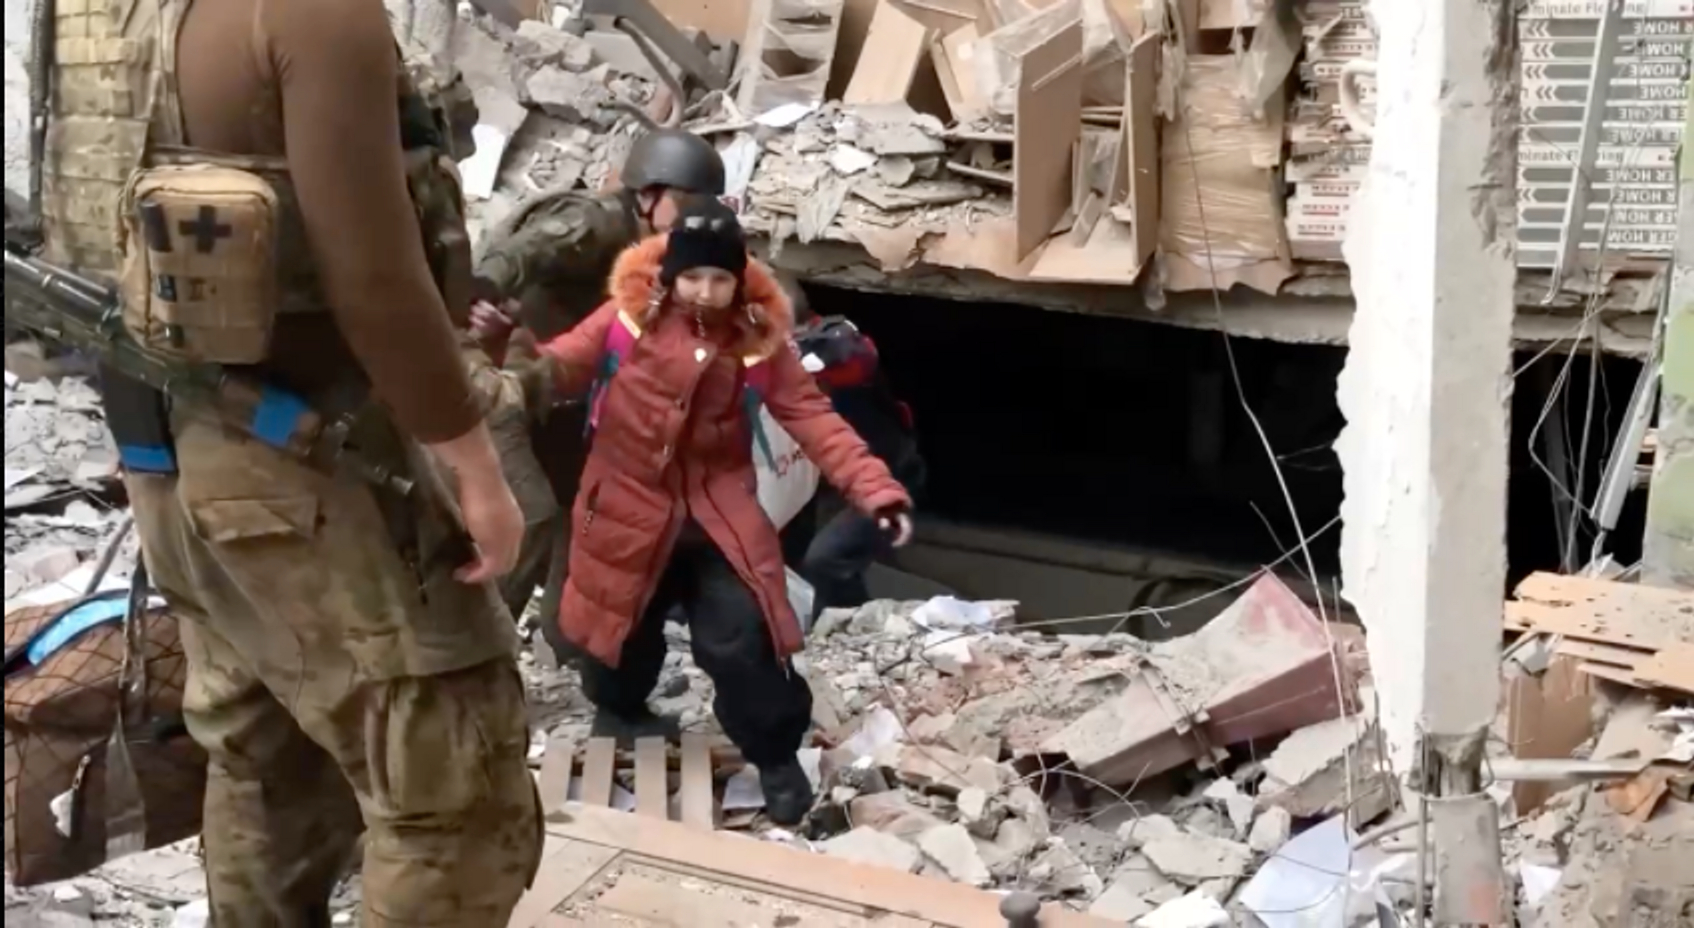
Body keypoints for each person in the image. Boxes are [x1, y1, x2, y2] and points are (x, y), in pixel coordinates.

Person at [40, 0, 542, 923]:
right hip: (310, 460)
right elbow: (375, 280)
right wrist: (473, 465)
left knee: (266, 758)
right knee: (455, 801)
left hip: (164, 453)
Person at [533, 198, 914, 824]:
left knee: (741, 637)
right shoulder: (627, 318)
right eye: (692, 277)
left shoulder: (757, 339)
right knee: (616, 627)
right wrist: (502, 349)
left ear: (738, 279)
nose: (706, 293)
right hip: (628, 507)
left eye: (719, 279)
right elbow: (558, 367)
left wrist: (875, 489)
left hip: (716, 517)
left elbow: (814, 419)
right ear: (670, 275)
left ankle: (776, 756)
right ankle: (620, 709)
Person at [468, 130, 727, 662]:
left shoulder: (660, 251)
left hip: (560, 393)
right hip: (503, 383)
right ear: (649, 194)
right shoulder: (599, 221)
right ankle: (476, 655)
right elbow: (520, 253)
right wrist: (484, 295)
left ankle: (566, 637)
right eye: (688, 202)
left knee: (586, 510)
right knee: (532, 515)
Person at [781, 311, 927, 612]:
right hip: (824, 480)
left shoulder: (836, 347)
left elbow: (855, 356)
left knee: (826, 560)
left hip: (885, 476)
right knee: (789, 557)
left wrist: (798, 357)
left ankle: (855, 623)